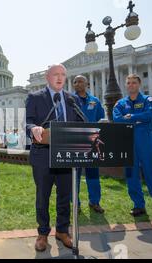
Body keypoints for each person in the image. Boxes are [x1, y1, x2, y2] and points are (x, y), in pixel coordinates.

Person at [26, 64, 84, 252]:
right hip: (43, 154)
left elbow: (80, 122)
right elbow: (27, 121)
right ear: (47, 77)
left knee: (65, 195)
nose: (60, 78)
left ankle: (62, 230)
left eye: (63, 75)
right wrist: (33, 128)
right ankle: (43, 233)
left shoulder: (71, 99)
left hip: (67, 155)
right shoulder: (35, 97)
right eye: (55, 74)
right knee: (43, 196)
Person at [113, 74, 152, 229]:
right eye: (128, 83)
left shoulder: (149, 100)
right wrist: (137, 119)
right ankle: (139, 205)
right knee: (131, 176)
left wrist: (131, 117)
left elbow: (149, 115)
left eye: (134, 82)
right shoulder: (120, 103)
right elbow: (117, 119)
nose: (131, 85)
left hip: (146, 144)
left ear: (139, 84)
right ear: (126, 85)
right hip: (128, 143)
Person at [73, 75, 106, 214]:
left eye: (80, 81)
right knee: (75, 175)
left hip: (92, 142)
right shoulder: (70, 101)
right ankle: (76, 204)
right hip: (75, 141)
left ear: (87, 84)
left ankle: (95, 202)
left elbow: (99, 117)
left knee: (93, 174)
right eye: (75, 82)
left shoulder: (95, 101)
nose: (77, 83)